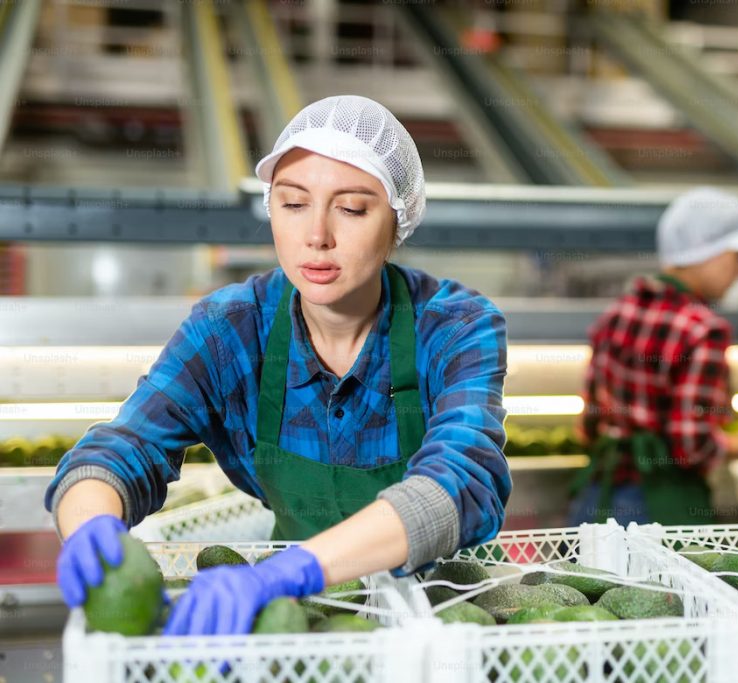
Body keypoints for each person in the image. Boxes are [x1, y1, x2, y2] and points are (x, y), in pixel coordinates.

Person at [45, 95, 512, 636]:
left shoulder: (456, 325)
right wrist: (89, 525)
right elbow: (127, 444)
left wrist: (293, 570)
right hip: (301, 620)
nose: (317, 235)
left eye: (353, 209)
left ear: (398, 220)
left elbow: (461, 480)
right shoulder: (232, 328)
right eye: (292, 204)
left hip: (445, 615)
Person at [569, 187, 738, 526]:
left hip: (598, 499)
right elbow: (692, 446)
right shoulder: (703, 329)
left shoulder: (617, 312)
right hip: (659, 510)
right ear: (708, 253)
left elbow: (588, 425)